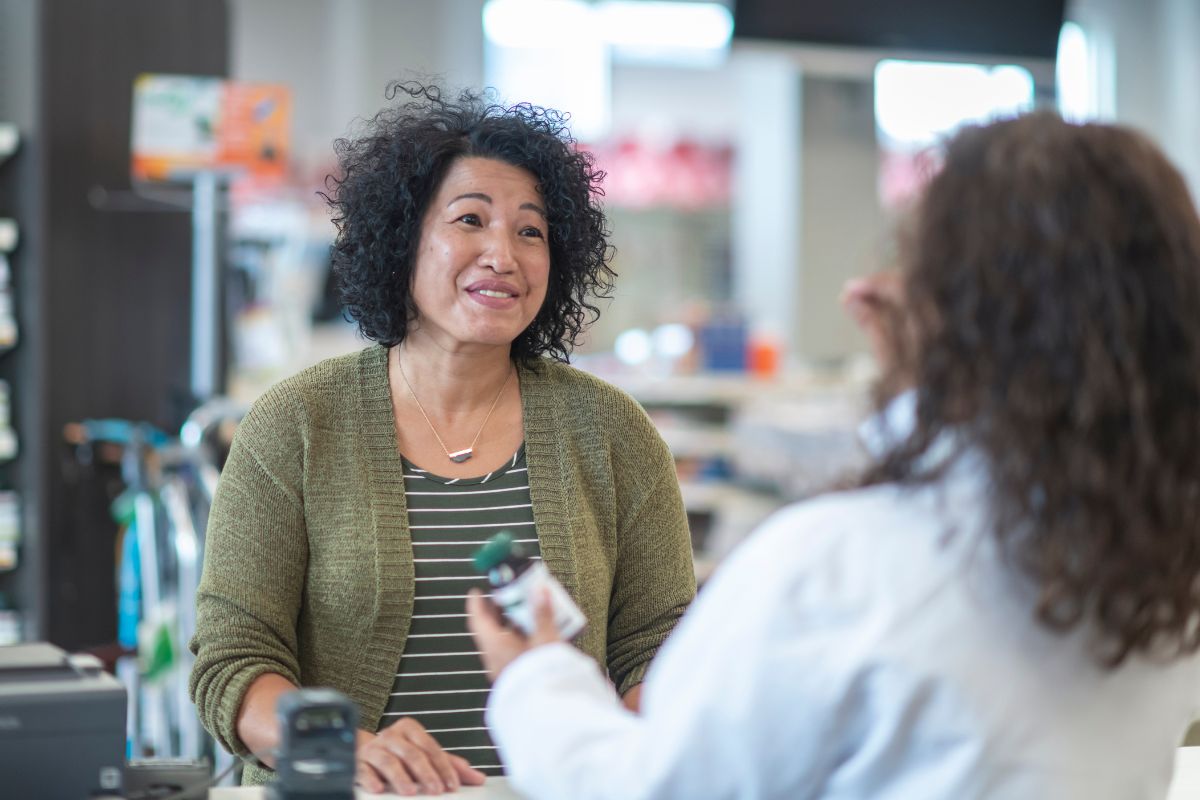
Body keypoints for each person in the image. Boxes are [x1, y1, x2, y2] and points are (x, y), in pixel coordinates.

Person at [467, 111, 1200, 799]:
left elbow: (654, 789)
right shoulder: (1166, 567)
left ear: (959, 314)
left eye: (915, 262)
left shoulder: (839, 569)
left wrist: (536, 679)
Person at [189, 83, 696, 795]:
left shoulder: (612, 433)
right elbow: (232, 661)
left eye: (530, 231)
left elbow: (662, 647)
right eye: (470, 220)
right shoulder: (297, 422)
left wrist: (613, 757)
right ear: (403, 240)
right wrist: (343, 750)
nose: (503, 254)